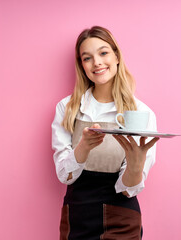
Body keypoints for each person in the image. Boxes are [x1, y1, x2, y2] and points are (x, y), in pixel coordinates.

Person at [51, 26, 160, 240]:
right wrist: (84, 146)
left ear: (116, 56)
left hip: (122, 218)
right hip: (77, 217)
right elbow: (65, 176)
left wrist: (136, 164)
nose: (97, 63)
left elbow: (128, 190)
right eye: (87, 58)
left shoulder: (141, 113)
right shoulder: (67, 109)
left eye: (103, 53)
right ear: (81, 66)